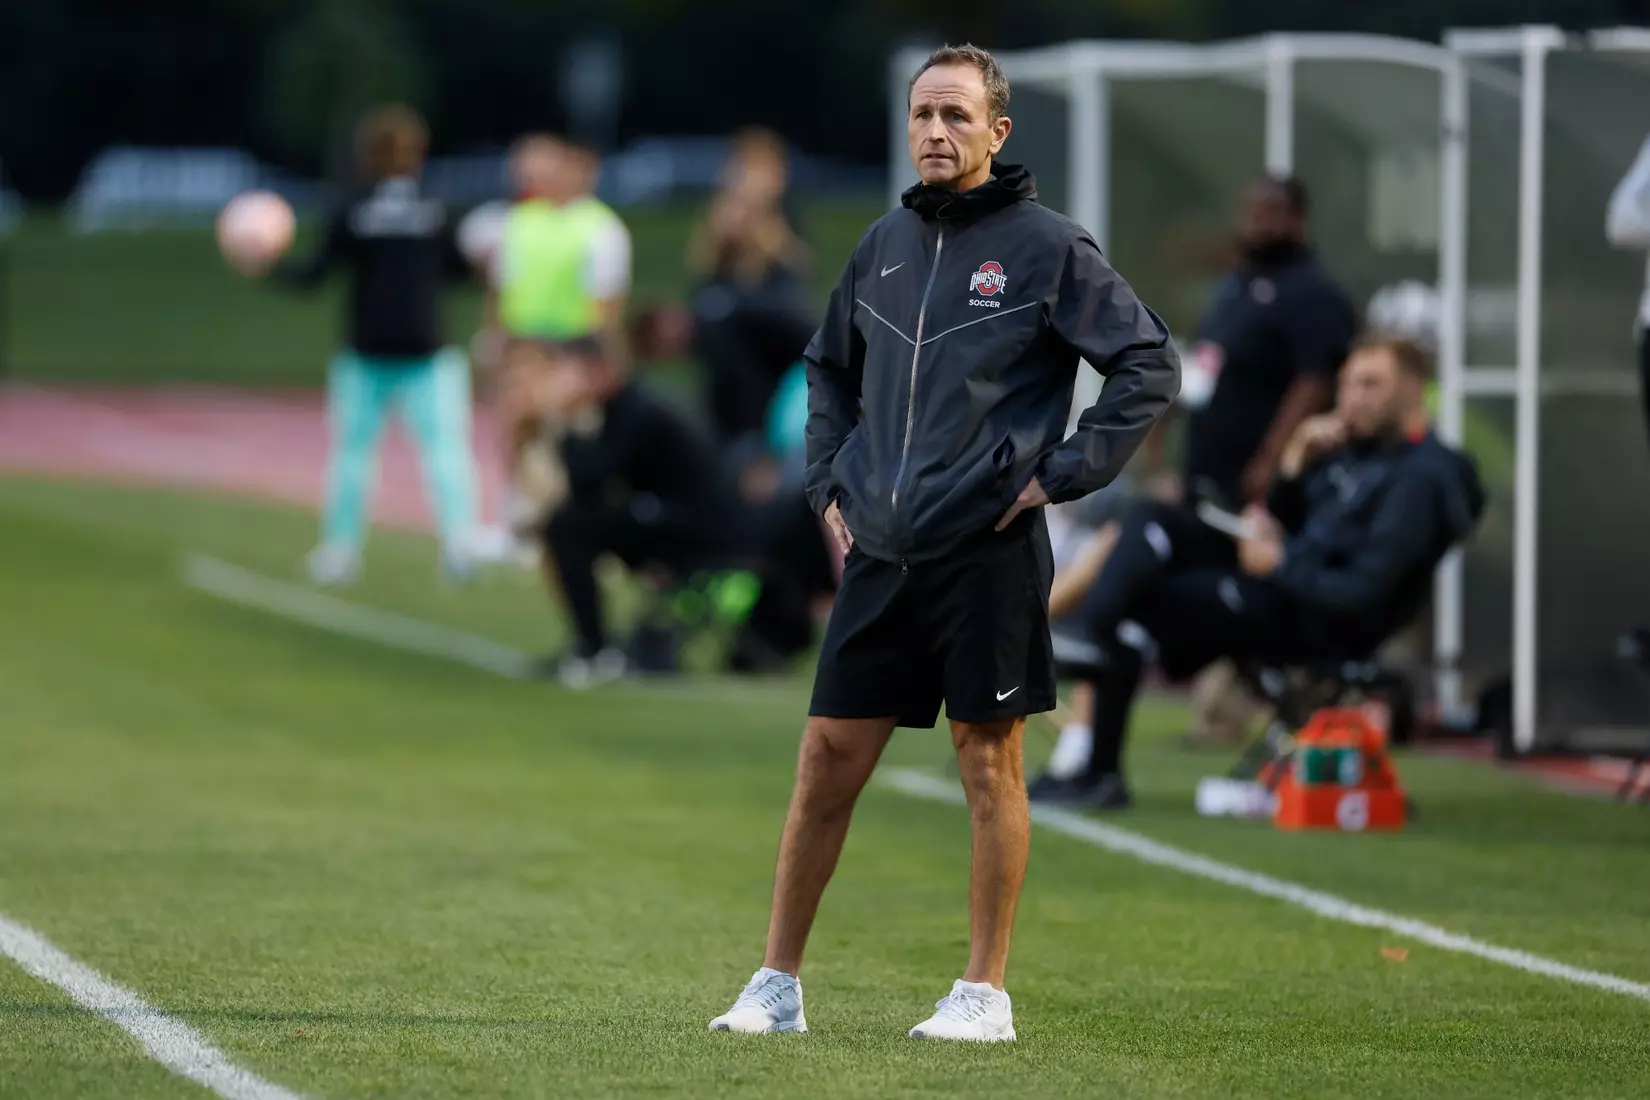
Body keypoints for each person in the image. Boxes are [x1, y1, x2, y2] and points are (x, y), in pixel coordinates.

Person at [709, 43, 1179, 1042]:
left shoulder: (1049, 246)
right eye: (925, 115)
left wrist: (1063, 472)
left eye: (958, 116)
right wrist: (828, 475)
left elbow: (1147, 360)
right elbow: (828, 369)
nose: (936, 131)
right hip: (880, 548)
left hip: (988, 551)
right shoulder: (880, 241)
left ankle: (983, 992)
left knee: (987, 762)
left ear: (996, 132)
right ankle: (776, 981)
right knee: (825, 758)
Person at [1030, 336, 1484, 809]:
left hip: (1317, 621)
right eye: (1347, 383)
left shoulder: (1424, 478)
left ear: (1414, 388)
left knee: (1138, 602)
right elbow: (1295, 522)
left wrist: (1281, 563)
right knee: (1153, 517)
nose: (1352, 397)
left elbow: (1362, 593)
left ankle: (1088, 711)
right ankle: (1087, 683)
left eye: (1371, 384)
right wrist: (1294, 462)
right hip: (1279, 586)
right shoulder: (1354, 452)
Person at [267, 104, 480, 586]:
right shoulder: (437, 205)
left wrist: (268, 265)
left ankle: (339, 552)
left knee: (353, 454)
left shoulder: (354, 206)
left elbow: (314, 275)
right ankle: (459, 547)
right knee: (446, 452)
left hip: (367, 350)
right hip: (427, 347)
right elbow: (461, 272)